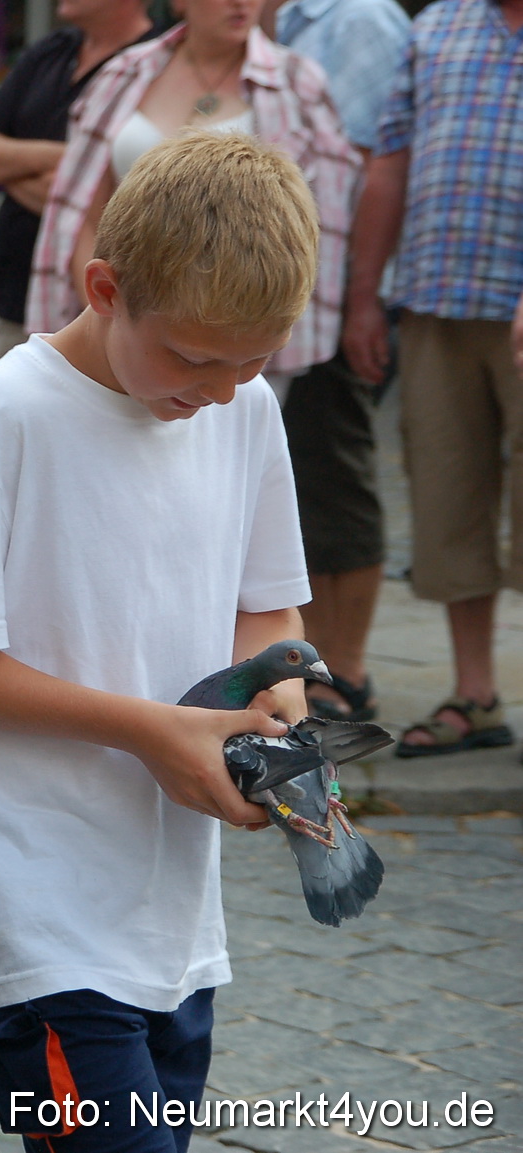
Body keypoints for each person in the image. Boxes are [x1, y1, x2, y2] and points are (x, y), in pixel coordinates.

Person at [0, 133, 316, 1152]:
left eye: (252, 362)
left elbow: (269, 610)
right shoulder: (1, 421)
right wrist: (149, 732)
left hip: (171, 907)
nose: (219, 387)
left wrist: (275, 708)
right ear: (105, 286)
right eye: (197, 358)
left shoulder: (243, 409)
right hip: (40, 902)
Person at [341, 0, 523, 757]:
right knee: (447, 497)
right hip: (438, 302)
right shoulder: (435, 27)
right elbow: (391, 164)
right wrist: (363, 298)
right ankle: (474, 696)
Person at [26, 0, 359, 398]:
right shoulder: (125, 71)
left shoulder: (298, 80)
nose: (241, 4)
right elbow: (83, 209)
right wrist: (111, 319)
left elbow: (318, 221)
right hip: (123, 309)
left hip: (238, 328)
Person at [264, 0, 407, 723]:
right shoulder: (294, 21)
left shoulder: (359, 19)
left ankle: (344, 670)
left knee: (337, 474)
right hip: (290, 294)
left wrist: (358, 305)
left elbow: (365, 175)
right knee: (300, 480)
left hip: (331, 296)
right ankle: (308, 661)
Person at [0, 0, 157, 388]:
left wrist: (8, 167)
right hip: (10, 287)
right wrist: (76, 162)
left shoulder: (153, 67)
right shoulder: (52, 50)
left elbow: (118, 206)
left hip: (90, 303)